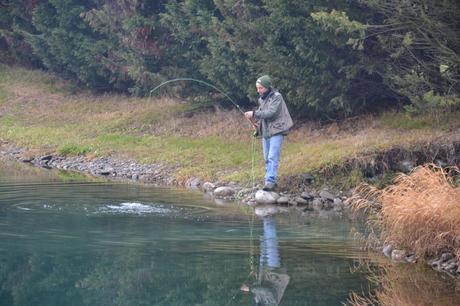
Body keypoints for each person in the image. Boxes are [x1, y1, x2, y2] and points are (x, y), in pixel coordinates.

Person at [244, 75, 293, 191]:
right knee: (266, 158)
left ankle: (270, 181)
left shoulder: (277, 97)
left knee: (272, 157)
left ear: (267, 87)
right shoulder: (261, 99)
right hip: (266, 132)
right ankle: (268, 181)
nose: (258, 90)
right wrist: (257, 127)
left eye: (260, 88)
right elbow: (263, 116)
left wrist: (254, 113)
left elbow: (271, 113)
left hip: (277, 130)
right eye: (257, 88)